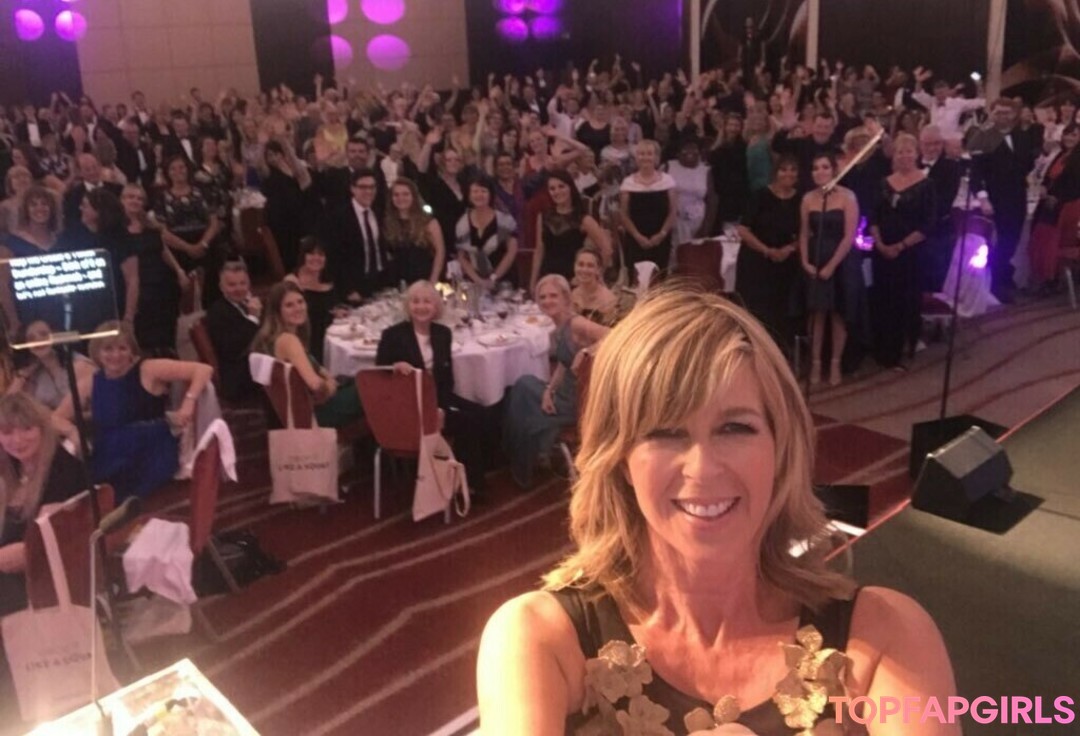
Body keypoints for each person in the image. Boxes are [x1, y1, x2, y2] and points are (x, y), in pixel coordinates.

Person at [477, 287, 958, 735]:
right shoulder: (537, 638)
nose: (702, 469)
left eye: (735, 428)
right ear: (620, 458)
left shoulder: (887, 635)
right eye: (664, 433)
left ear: (779, 447)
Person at [53, 321, 213, 500]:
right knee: (78, 487)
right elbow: (55, 418)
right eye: (108, 349)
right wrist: (72, 431)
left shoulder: (148, 369)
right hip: (108, 452)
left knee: (104, 493)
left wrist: (188, 403)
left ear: (132, 351)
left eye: (122, 348)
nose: (116, 355)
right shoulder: (90, 382)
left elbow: (203, 370)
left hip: (150, 450)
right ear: (97, 352)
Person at [376, 281, 490, 494]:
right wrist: (394, 366)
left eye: (427, 301)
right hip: (407, 406)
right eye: (415, 301)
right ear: (408, 306)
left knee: (481, 412)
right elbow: (379, 377)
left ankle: (465, 474)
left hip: (437, 396)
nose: (421, 307)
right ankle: (470, 486)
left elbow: (447, 379)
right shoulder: (393, 335)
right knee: (467, 421)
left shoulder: (442, 333)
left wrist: (441, 408)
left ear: (436, 306)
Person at [504, 274, 608, 489]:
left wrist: (587, 351)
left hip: (578, 403)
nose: (547, 301)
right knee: (524, 388)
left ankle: (523, 456)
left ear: (565, 298)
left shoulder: (576, 323)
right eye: (542, 297)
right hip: (564, 393)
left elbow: (615, 335)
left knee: (521, 389)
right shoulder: (558, 326)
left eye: (553, 296)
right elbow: (563, 362)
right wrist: (549, 390)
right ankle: (531, 452)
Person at [0, 394, 85, 616]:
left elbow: (42, 544)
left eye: (26, 429)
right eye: (7, 432)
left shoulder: (62, 471)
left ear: (43, 429)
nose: (17, 440)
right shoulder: (12, 470)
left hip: (46, 580)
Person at [252, 281, 362, 428]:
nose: (298, 308)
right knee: (372, 389)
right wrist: (330, 385)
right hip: (310, 414)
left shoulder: (275, 337)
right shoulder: (288, 341)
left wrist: (326, 375)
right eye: (289, 305)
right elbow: (316, 386)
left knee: (360, 381)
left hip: (303, 407)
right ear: (277, 311)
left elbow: (313, 367)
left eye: (300, 302)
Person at [799, 153, 860, 386]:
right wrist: (805, 261)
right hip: (815, 258)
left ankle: (835, 362)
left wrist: (832, 265)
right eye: (815, 168)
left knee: (837, 313)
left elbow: (849, 235)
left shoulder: (848, 196)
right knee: (817, 313)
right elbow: (804, 232)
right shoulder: (808, 198)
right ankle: (815, 362)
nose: (820, 171)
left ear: (834, 170)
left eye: (825, 167)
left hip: (841, 260)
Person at [971, 98, 1038, 303]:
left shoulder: (1022, 136)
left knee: (1013, 239)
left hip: (1018, 196)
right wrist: (984, 199)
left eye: (1007, 112)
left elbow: (1027, 165)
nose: (1003, 116)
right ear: (992, 114)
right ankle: (996, 282)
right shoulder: (983, 138)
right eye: (998, 112)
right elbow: (976, 173)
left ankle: (1004, 275)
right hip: (995, 198)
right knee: (999, 241)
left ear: (1014, 114)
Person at [736, 156, 801, 351]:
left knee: (782, 310)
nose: (788, 174)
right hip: (756, 261)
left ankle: (780, 353)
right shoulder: (760, 196)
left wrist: (789, 249)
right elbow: (743, 229)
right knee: (756, 310)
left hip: (786, 263)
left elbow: (807, 233)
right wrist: (767, 250)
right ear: (775, 172)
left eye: (793, 169)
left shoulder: (801, 199)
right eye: (783, 169)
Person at [121, 184, 186, 356]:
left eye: (139, 198)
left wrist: (179, 270)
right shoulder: (116, 229)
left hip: (163, 283)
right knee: (145, 339)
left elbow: (163, 250)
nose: (135, 201)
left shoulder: (150, 225)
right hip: (139, 287)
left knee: (167, 332)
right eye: (130, 197)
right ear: (122, 200)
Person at [156, 154, 223, 306]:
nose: (178, 171)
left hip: (205, 243)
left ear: (187, 169)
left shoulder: (203, 192)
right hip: (178, 247)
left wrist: (203, 244)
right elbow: (163, 232)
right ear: (167, 172)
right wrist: (188, 248)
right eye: (173, 168)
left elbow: (214, 223)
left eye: (181, 167)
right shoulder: (162, 198)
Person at [532, 170, 609, 292]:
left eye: (561, 186)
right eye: (552, 188)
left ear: (570, 188)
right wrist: (533, 282)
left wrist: (594, 275)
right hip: (547, 278)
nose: (557, 191)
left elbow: (607, 249)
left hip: (572, 281)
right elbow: (539, 250)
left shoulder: (583, 219)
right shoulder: (543, 216)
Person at [1028, 123, 1080, 292]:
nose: (1069, 138)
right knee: (1039, 235)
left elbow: (1075, 185)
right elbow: (1048, 177)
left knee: (1050, 239)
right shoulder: (1061, 155)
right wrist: (1044, 188)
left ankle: (1050, 279)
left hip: (1066, 205)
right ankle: (1042, 277)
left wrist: (1057, 197)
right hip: (1050, 202)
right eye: (1067, 134)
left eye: (1074, 135)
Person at [326, 168, 391, 302]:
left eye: (372, 187)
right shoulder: (339, 217)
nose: (368, 191)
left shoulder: (378, 212)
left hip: (380, 281)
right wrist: (348, 289)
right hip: (354, 285)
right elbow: (334, 257)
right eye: (363, 187)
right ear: (352, 189)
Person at [205, 261, 262, 402]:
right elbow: (233, 348)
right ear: (221, 287)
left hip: (254, 366)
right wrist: (253, 318)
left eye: (242, 283)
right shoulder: (217, 312)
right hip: (239, 378)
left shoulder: (247, 304)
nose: (238, 289)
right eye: (232, 285)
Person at [6, 321, 97, 410]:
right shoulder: (35, 374)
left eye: (44, 334)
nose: (38, 340)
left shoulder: (79, 365)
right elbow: (8, 406)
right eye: (31, 338)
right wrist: (22, 375)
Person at [619, 140, 677, 276]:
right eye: (641, 154)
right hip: (635, 239)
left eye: (649, 154)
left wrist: (662, 234)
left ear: (656, 157)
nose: (645, 157)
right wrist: (638, 236)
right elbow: (624, 214)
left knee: (659, 277)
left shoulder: (667, 181)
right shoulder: (628, 183)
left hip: (661, 239)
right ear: (636, 157)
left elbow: (673, 211)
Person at [918, 125, 963, 293]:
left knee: (936, 275)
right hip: (910, 230)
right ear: (920, 144)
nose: (932, 148)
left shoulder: (951, 168)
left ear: (943, 144)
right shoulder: (910, 164)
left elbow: (944, 200)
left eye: (936, 143)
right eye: (927, 144)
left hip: (938, 230)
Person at [262, 138, 315, 273]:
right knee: (285, 253)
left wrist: (284, 142)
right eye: (269, 155)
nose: (273, 158)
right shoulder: (269, 173)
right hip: (279, 220)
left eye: (275, 154)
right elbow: (259, 165)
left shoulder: (296, 171)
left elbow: (303, 181)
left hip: (297, 218)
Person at [455, 176, 519, 288]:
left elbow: (511, 252)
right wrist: (478, 280)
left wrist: (493, 277)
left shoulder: (505, 220)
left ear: (491, 194)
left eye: (483, 191)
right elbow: (462, 257)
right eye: (475, 191)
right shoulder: (462, 224)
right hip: (475, 282)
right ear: (469, 195)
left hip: (505, 281)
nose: (479, 195)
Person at [284, 237, 340, 362]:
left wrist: (337, 313)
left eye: (320, 254)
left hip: (329, 336)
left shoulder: (328, 280)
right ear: (303, 256)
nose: (316, 258)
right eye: (311, 253)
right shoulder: (292, 282)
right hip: (304, 339)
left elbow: (330, 309)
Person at [384, 178, 446, 285]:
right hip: (397, 282)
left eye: (405, 194)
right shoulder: (388, 222)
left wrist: (432, 281)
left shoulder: (428, 222)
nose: (401, 198)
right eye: (396, 195)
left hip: (424, 280)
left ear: (414, 196)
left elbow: (440, 252)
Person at [665, 137, 717, 248]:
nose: (690, 152)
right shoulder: (669, 166)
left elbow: (712, 200)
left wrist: (706, 227)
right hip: (674, 221)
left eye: (694, 148)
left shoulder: (705, 170)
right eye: (686, 148)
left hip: (698, 221)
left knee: (694, 254)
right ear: (678, 152)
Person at [708, 113, 750, 226]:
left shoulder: (744, 147)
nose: (733, 128)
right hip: (720, 193)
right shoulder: (718, 147)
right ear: (725, 126)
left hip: (738, 193)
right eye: (730, 125)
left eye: (736, 125)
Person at [569, 245, 617, 325]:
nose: (584, 270)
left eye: (590, 266)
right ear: (574, 266)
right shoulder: (572, 294)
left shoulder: (608, 301)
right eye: (580, 264)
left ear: (598, 270)